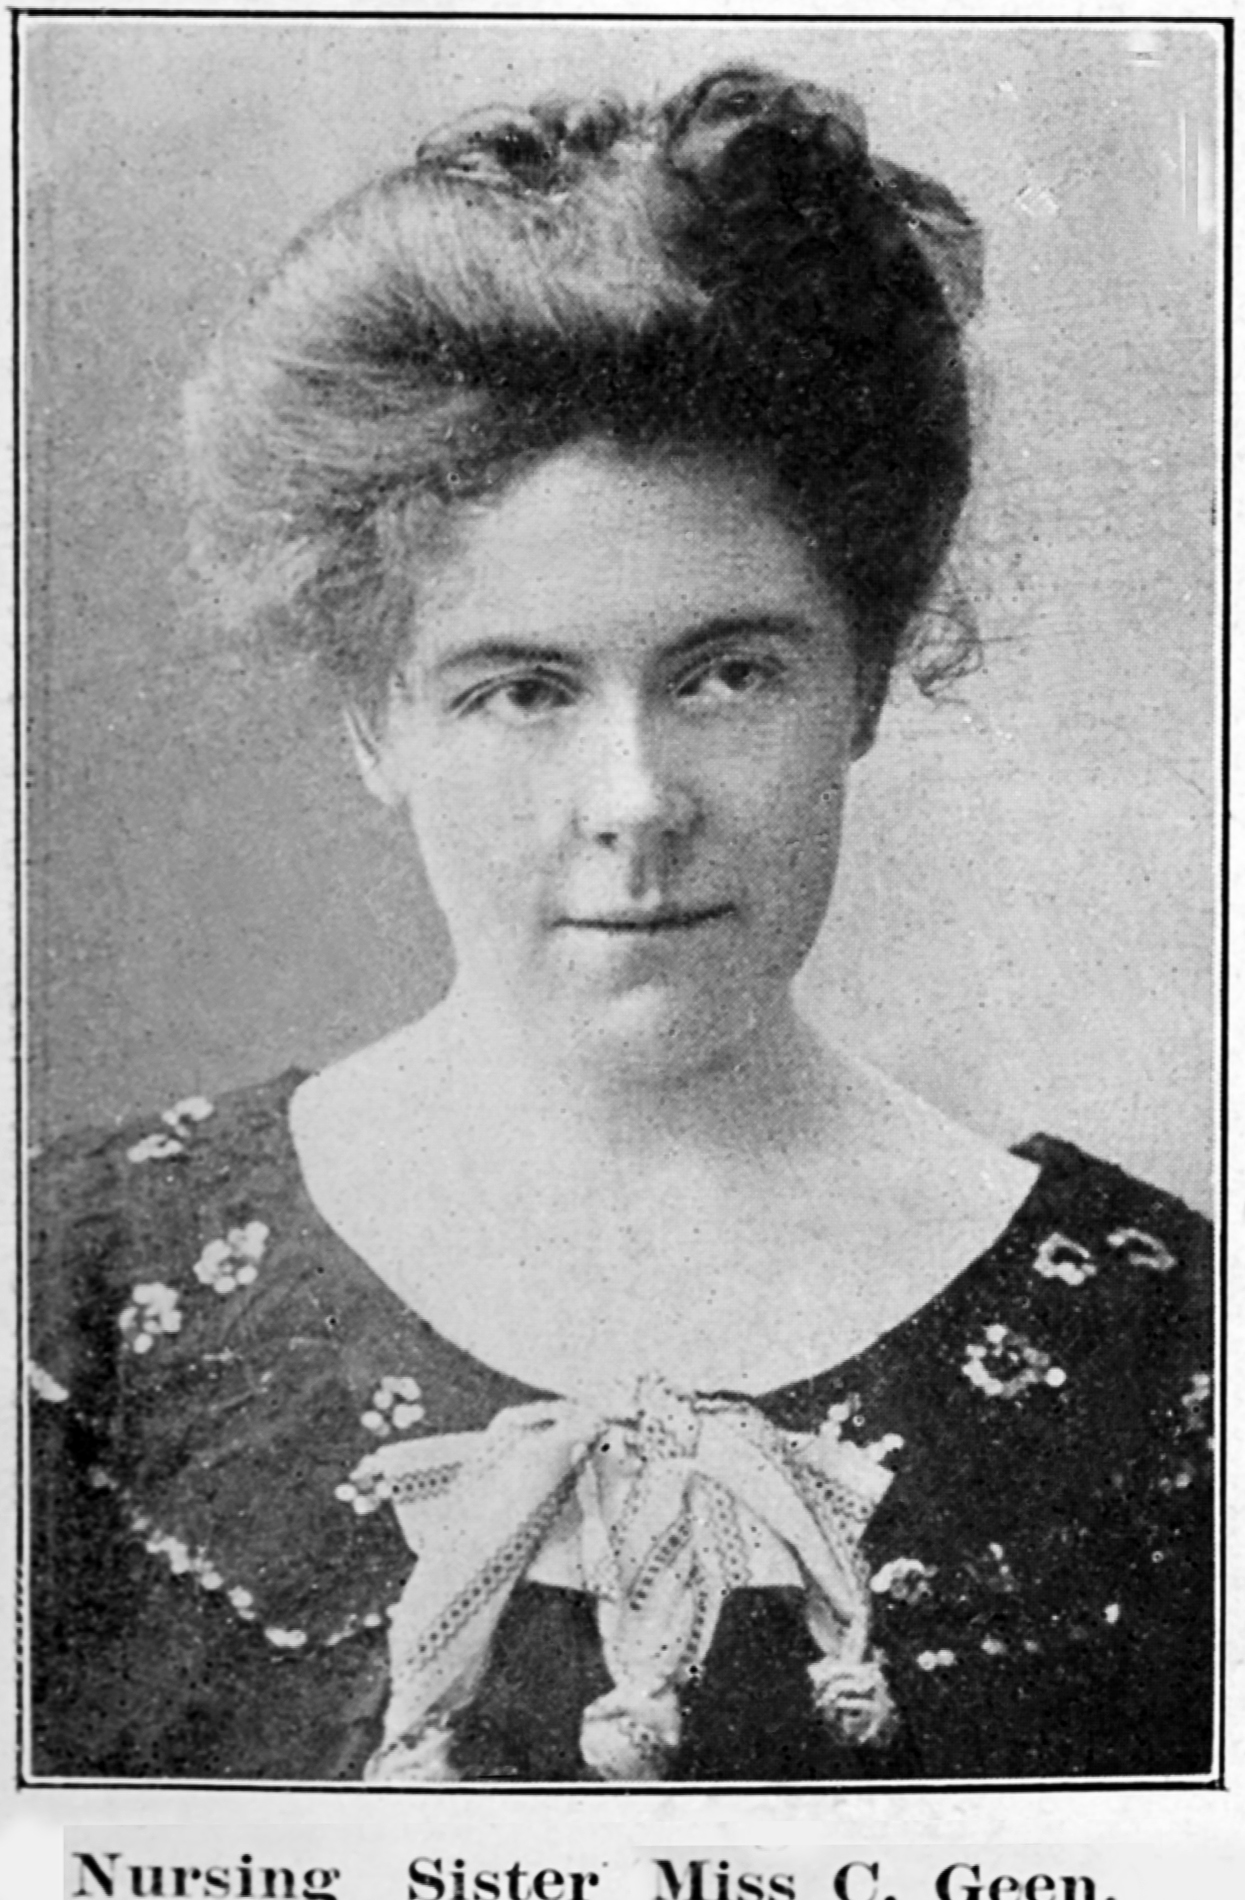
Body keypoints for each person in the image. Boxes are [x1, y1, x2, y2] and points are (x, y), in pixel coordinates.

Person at [28, 65, 1213, 1785]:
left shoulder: (1170, 1360)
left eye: (726, 673)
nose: (635, 797)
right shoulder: (71, 1298)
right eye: (520, 690)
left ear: (864, 682)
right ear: (373, 722)